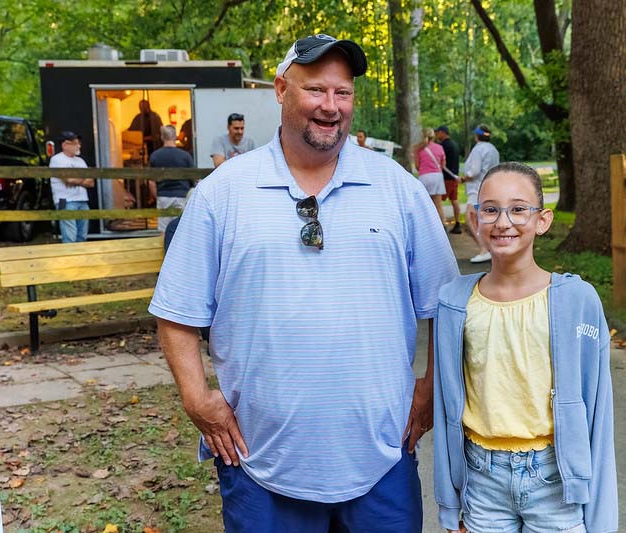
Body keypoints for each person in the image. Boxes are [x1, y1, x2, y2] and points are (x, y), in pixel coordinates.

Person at [149, 33, 458, 532]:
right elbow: (176, 312)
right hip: (260, 464)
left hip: (381, 458)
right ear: (280, 90)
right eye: (315, 90)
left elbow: (447, 306)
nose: (330, 107)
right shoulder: (223, 193)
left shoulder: (397, 188)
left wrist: (431, 388)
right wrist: (197, 398)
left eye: (343, 93)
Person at [433, 162, 618, 533]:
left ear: (543, 220)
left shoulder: (577, 300)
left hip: (556, 480)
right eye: (491, 209)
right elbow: (445, 406)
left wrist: (601, 516)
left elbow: (598, 410)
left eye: (518, 209)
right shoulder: (454, 302)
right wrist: (450, 505)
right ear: (475, 218)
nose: (504, 222)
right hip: (482, 479)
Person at [460, 124, 500, 263]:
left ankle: (484, 250)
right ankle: (491, 249)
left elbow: (475, 171)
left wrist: (465, 177)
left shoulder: (478, 149)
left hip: (477, 189)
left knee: (471, 218)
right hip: (491, 187)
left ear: (477, 136)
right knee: (485, 219)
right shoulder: (493, 149)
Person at [49, 131, 93, 243]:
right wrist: (83, 178)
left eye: (79, 143)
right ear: (65, 145)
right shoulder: (57, 159)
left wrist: (76, 179)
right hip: (66, 201)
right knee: (70, 236)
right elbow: (68, 180)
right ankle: (70, 259)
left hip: (83, 201)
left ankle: (80, 258)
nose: (78, 146)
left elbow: (91, 182)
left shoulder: (81, 160)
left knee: (82, 235)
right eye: (75, 143)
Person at [148, 125, 195, 233]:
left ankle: (165, 250)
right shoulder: (185, 156)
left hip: (164, 196)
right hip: (182, 196)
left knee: (164, 230)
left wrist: (158, 196)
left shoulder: (155, 156)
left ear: (162, 137)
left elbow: (151, 182)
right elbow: (194, 178)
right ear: (175, 137)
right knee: (181, 229)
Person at [414, 127, 447, 223]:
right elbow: (443, 165)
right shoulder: (440, 147)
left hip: (424, 177)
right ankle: (442, 226)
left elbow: (417, 166)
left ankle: (426, 227)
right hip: (437, 177)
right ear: (433, 136)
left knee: (424, 206)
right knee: (438, 205)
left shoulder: (418, 149)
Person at [434, 125, 462, 234]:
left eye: (438, 132)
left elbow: (441, 163)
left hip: (446, 178)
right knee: (454, 201)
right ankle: (457, 223)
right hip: (454, 177)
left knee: (437, 202)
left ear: (442, 132)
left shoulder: (443, 146)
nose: (436, 135)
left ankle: (440, 226)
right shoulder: (455, 144)